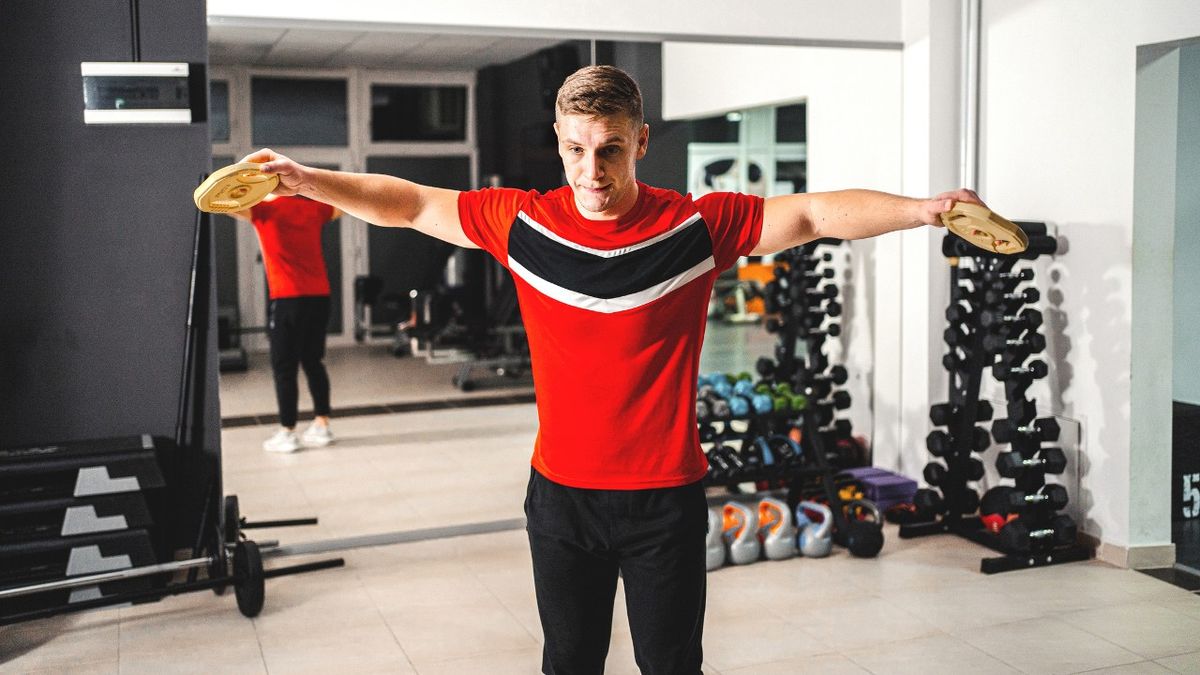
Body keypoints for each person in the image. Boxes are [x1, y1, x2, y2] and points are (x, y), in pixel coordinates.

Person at [239, 65, 985, 674]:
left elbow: (816, 213)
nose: (591, 171)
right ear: (559, 143)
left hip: (665, 498)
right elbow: (406, 204)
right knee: (569, 662)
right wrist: (310, 179)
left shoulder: (695, 226)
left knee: (670, 665)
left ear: (641, 142)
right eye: (575, 150)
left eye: (610, 150)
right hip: (561, 500)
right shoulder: (522, 222)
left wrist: (922, 209)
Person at [230, 194, 341, 453]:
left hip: (287, 299)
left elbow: (224, 204)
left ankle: (288, 431)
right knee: (314, 362)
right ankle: (322, 425)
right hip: (319, 297)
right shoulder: (314, 208)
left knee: (284, 367)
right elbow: (345, 205)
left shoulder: (263, 209)